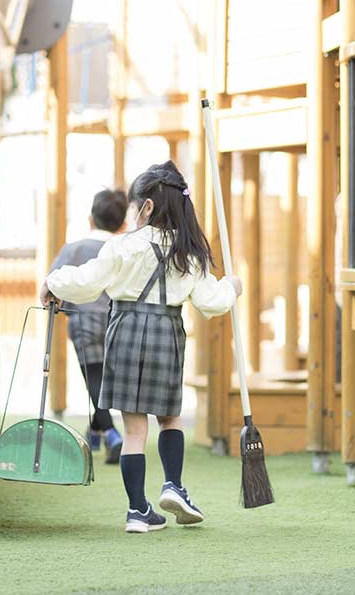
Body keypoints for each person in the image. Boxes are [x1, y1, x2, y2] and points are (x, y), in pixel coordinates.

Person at [41, 160, 242, 534]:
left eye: (136, 205)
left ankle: (138, 511)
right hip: (167, 329)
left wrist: (52, 282)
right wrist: (233, 286)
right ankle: (174, 486)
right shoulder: (190, 252)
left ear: (147, 207)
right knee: (169, 419)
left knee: (134, 431)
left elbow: (86, 283)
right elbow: (211, 302)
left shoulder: (123, 247)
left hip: (125, 327)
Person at [49, 188, 129, 464]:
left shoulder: (73, 249)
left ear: (90, 220)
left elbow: (55, 280)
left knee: (94, 378)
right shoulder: (125, 249)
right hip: (118, 321)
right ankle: (95, 431)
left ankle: (111, 433)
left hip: (83, 320)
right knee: (105, 379)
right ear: (123, 224)